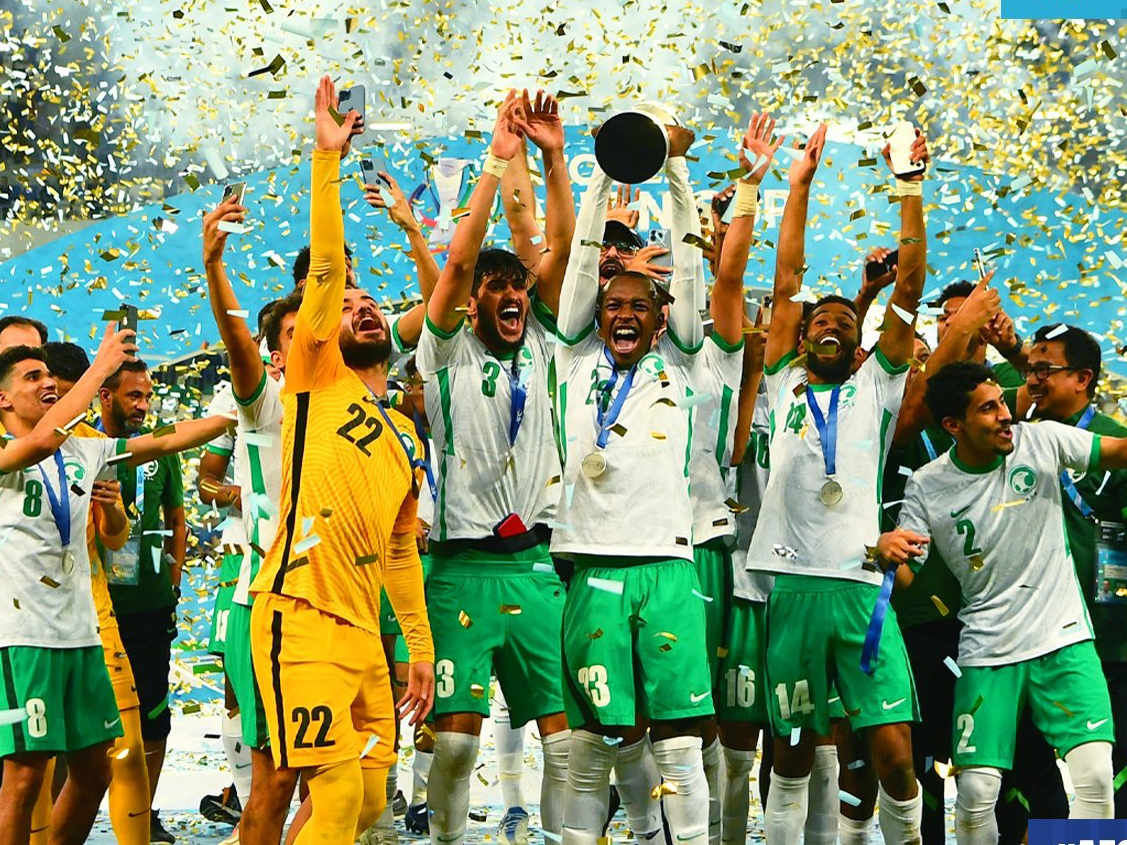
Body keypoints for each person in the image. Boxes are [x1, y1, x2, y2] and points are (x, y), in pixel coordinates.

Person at [247, 75, 434, 844]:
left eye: (371, 304)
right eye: (347, 303)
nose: (358, 305)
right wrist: (326, 163)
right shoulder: (315, 376)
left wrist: (417, 649)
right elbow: (325, 270)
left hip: (363, 632)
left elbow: (399, 547)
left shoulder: (407, 436)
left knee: (359, 801)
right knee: (327, 788)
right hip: (299, 610)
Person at [552, 105, 735, 845]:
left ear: (658, 322)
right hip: (590, 566)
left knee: (680, 741)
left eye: (637, 306)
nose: (622, 313)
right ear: (599, 319)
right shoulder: (571, 361)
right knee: (598, 742)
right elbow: (577, 263)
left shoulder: (682, 364)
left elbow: (689, 270)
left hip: (666, 565)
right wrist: (605, 171)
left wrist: (678, 171)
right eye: (612, 305)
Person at [745, 122, 930, 845]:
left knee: (892, 755)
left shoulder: (873, 389)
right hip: (790, 588)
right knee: (788, 756)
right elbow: (785, 280)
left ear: (858, 343)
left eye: (842, 321)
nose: (827, 325)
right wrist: (796, 185)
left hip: (859, 589)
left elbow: (909, 286)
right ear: (799, 337)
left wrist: (905, 186)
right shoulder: (783, 384)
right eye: (817, 320)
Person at [417, 88, 574, 845]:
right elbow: (452, 263)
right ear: (472, 302)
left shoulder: (543, 343)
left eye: (517, 285)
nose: (511, 292)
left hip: (537, 568)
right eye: (495, 285)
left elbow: (561, 250)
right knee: (454, 743)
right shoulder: (443, 352)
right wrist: (494, 163)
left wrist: (551, 157)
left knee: (569, 742)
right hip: (459, 570)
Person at [0, 330, 231, 845]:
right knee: (24, 776)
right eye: (32, 377)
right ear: (2, 397)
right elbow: (40, 441)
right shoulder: (7, 448)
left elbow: (167, 439)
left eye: (48, 376)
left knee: (94, 772)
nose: (46, 385)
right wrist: (101, 369)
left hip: (81, 635)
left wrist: (242, 409)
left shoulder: (85, 450)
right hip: (23, 637)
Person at [882, 360, 1127, 845]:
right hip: (988, 650)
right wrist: (883, 550)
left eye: (1002, 404)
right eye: (989, 409)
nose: (1005, 416)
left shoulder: (1043, 441)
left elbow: (1119, 451)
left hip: (1064, 638)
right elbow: (906, 575)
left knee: (1096, 775)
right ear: (953, 425)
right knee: (976, 791)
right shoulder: (927, 485)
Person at [684, 115, 782, 845]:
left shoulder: (759, 343)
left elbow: (743, 279)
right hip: (690, 550)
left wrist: (755, 186)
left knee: (749, 728)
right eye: (706, 229)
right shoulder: (677, 336)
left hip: (753, 561)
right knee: (688, 723)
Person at [1001, 325, 1127, 819]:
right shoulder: (1013, 440)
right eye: (1028, 368)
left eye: (1043, 369)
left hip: (1109, 637)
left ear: (1083, 378)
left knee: (1109, 775)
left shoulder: (1116, 441)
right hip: (1029, 637)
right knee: (1029, 779)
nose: (1031, 380)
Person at [97, 358, 187, 845]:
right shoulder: (84, 445)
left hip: (151, 606)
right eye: (134, 396)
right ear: (105, 396)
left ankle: (144, 811)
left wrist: (172, 579)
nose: (143, 405)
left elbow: (177, 515)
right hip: (93, 609)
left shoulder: (158, 449)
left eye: (147, 396)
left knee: (154, 715)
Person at [197, 379, 250, 832]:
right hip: (241, 559)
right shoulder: (233, 396)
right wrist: (239, 495)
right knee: (236, 687)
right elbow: (205, 482)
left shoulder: (330, 385)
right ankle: (246, 810)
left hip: (308, 557)